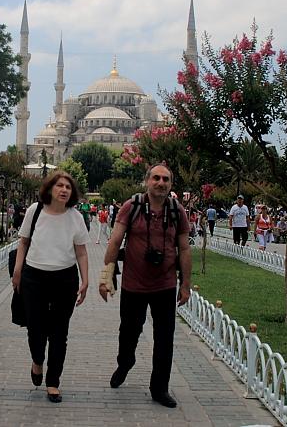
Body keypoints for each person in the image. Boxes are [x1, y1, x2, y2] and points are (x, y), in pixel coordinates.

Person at [98, 163, 191, 408]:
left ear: (171, 184)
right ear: (147, 181)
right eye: (156, 178)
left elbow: (184, 248)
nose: (161, 183)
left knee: (165, 339)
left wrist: (186, 285)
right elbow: (115, 239)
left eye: (166, 179)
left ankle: (159, 388)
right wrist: (106, 277)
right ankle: (125, 362)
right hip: (134, 284)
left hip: (165, 284)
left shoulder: (176, 211)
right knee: (129, 332)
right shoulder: (132, 207)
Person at [11, 171, 89, 403]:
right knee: (36, 329)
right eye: (60, 186)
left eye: (68, 187)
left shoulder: (75, 217)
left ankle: (53, 381)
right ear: (50, 189)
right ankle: (37, 361)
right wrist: (18, 270)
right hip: (34, 277)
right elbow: (23, 241)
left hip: (65, 279)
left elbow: (82, 251)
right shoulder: (36, 211)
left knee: (59, 333)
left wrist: (86, 280)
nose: (64, 190)